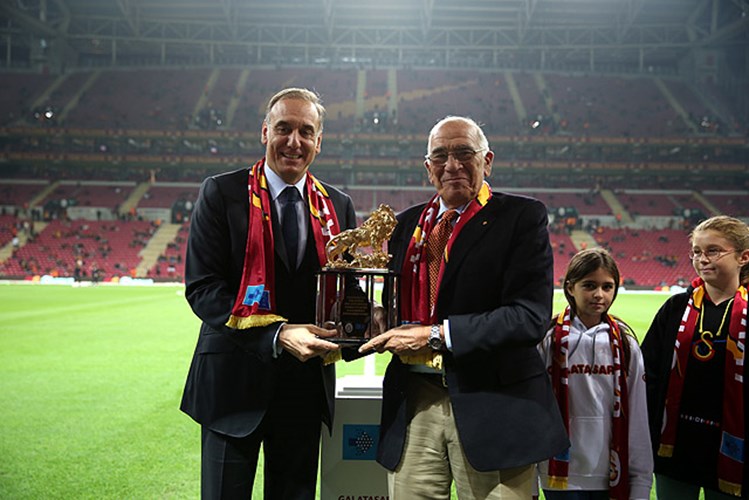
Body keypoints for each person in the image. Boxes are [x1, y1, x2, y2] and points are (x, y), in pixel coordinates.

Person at [359, 116, 569, 499]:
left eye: (463, 153)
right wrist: (378, 318)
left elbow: (529, 317)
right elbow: (402, 302)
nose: (452, 165)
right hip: (415, 400)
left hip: (494, 403)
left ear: (487, 161)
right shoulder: (405, 226)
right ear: (428, 169)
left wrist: (437, 335)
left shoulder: (520, 217)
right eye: (440, 156)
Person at [180, 88, 357, 499]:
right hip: (232, 389)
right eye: (283, 128)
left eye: (305, 131)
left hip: (303, 390)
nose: (294, 141)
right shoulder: (222, 193)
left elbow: (345, 291)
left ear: (318, 141)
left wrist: (367, 317)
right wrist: (277, 334)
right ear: (265, 132)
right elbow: (203, 288)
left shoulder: (339, 206)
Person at [642, 215, 749, 499]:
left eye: (713, 250)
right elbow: (648, 374)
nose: (703, 259)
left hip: (734, 449)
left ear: (743, 257)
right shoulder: (675, 308)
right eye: (697, 252)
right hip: (676, 445)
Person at [536, 248, 653, 500]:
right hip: (557, 473)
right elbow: (533, 410)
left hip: (610, 471)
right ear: (570, 287)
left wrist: (641, 481)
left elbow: (638, 416)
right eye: (589, 285)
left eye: (607, 287)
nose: (599, 295)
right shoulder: (548, 339)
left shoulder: (625, 343)